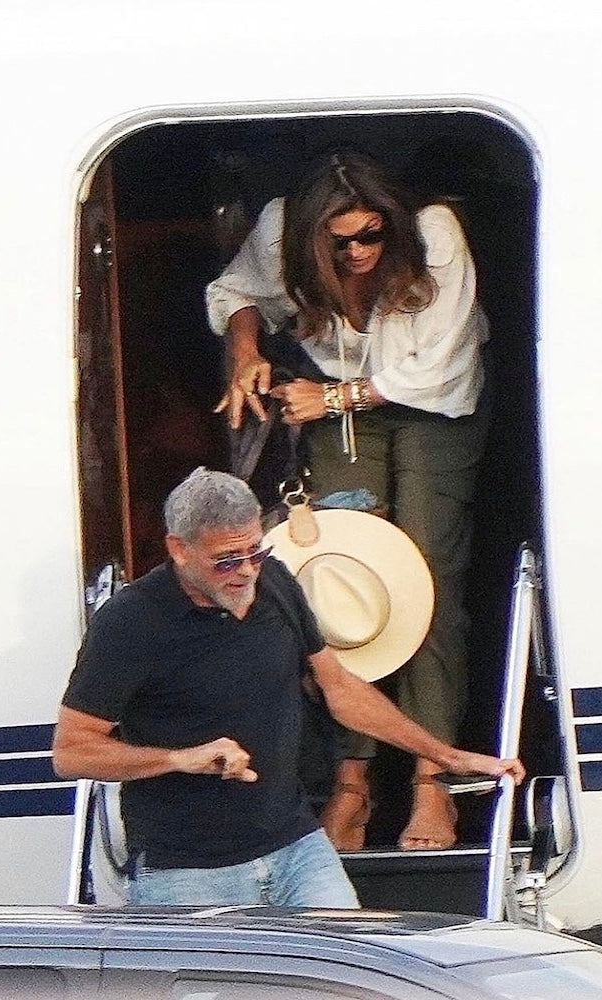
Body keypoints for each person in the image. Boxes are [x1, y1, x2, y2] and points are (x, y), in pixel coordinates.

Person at [52, 468, 524, 907]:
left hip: (296, 845)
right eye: (226, 561)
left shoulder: (275, 580)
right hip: (186, 870)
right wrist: (179, 758)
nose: (245, 571)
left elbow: (339, 687)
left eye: (256, 552)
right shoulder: (130, 622)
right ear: (179, 549)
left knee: (349, 979)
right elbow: (72, 752)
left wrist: (446, 756)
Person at [206, 152, 493, 851]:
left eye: (373, 236)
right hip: (332, 405)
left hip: (435, 406)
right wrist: (247, 351)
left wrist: (330, 397)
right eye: (343, 244)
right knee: (338, 581)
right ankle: (352, 787)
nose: (362, 252)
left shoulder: (435, 234)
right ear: (311, 238)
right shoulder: (280, 228)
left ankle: (433, 785)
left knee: (424, 579)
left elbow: (436, 367)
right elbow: (235, 289)